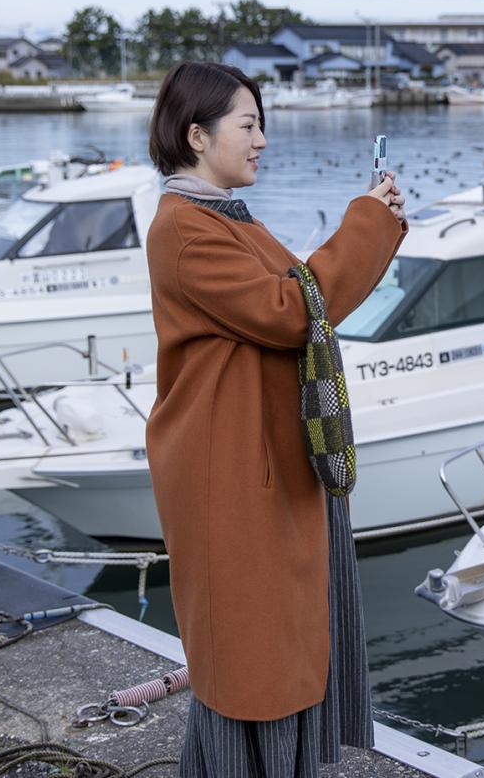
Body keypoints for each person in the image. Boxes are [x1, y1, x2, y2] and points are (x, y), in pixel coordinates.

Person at [143, 61, 406, 778]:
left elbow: (298, 292)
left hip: (260, 462)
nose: (262, 140)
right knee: (251, 655)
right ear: (197, 135)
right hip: (230, 473)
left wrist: (370, 221)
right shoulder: (188, 231)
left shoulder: (222, 216)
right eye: (249, 124)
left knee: (276, 643)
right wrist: (369, 220)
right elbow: (294, 312)